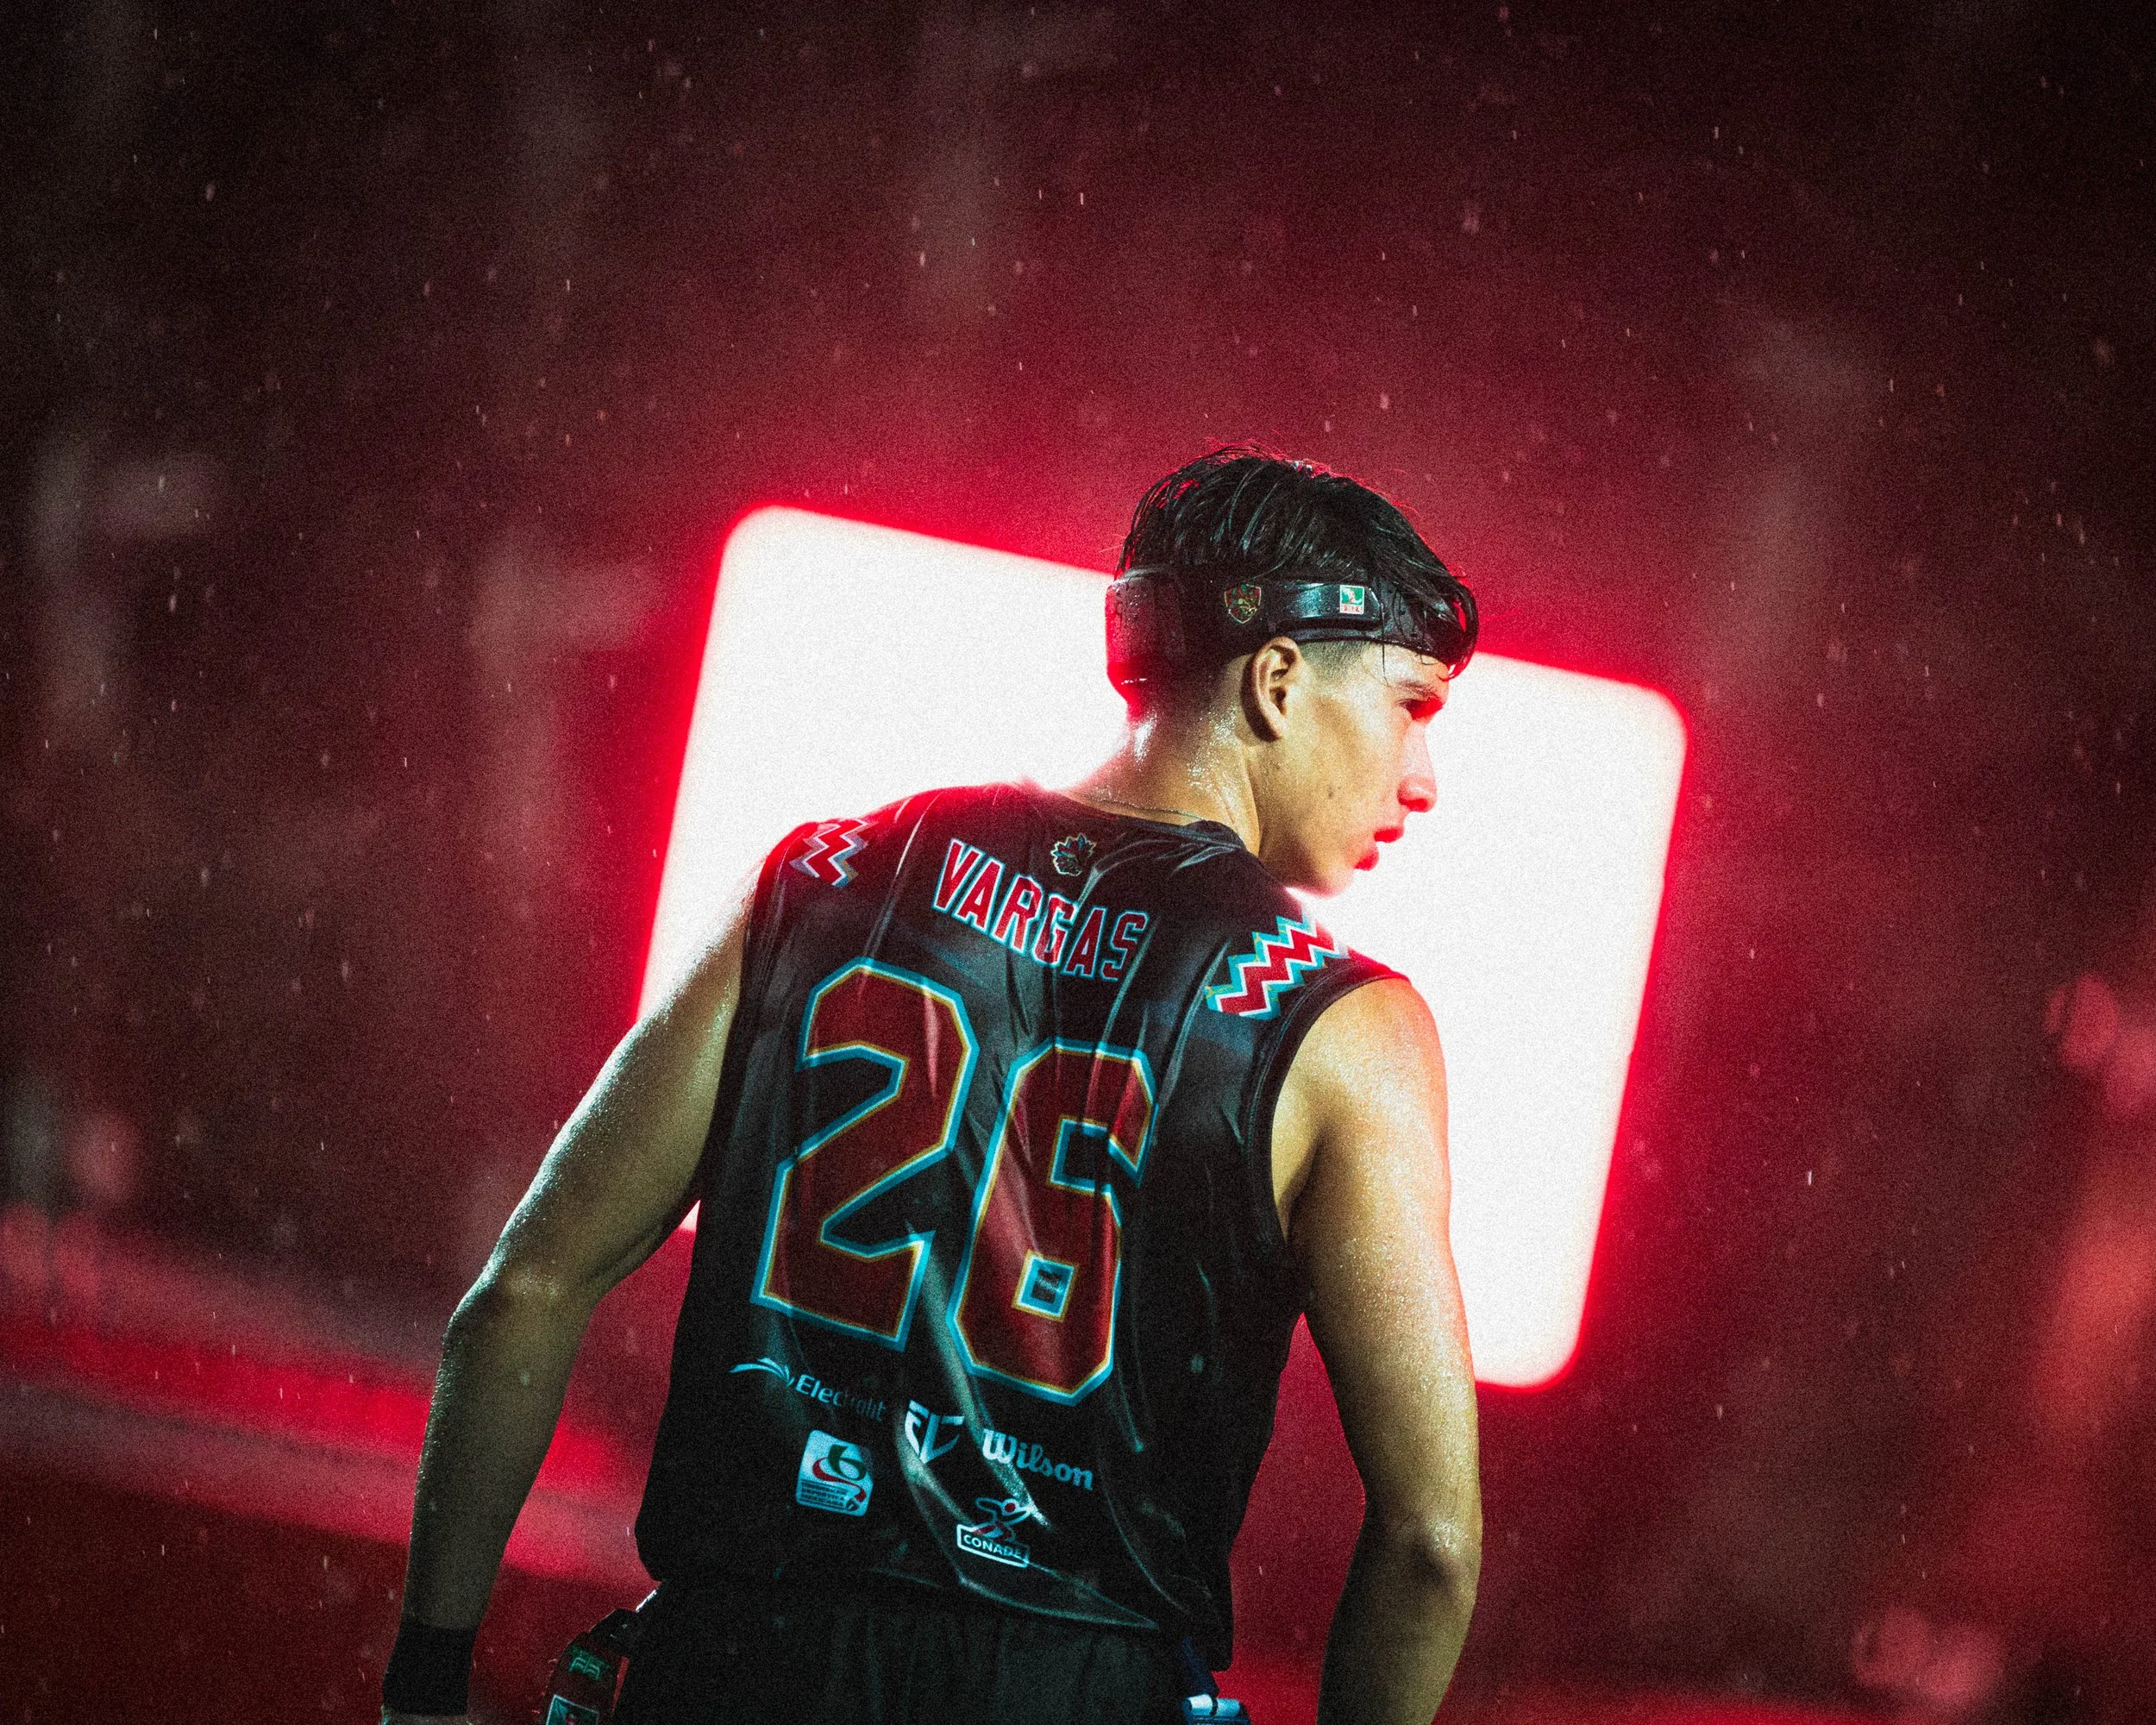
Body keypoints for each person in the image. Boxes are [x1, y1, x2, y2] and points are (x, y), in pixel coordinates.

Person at [382, 448, 1483, 1725]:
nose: (1423, 779)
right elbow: (1431, 1544)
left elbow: (522, 1290)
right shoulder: (1339, 1027)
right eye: (1413, 707)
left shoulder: (827, 880)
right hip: (1066, 1689)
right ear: (1279, 681)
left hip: (735, 1666)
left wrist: (425, 1688)